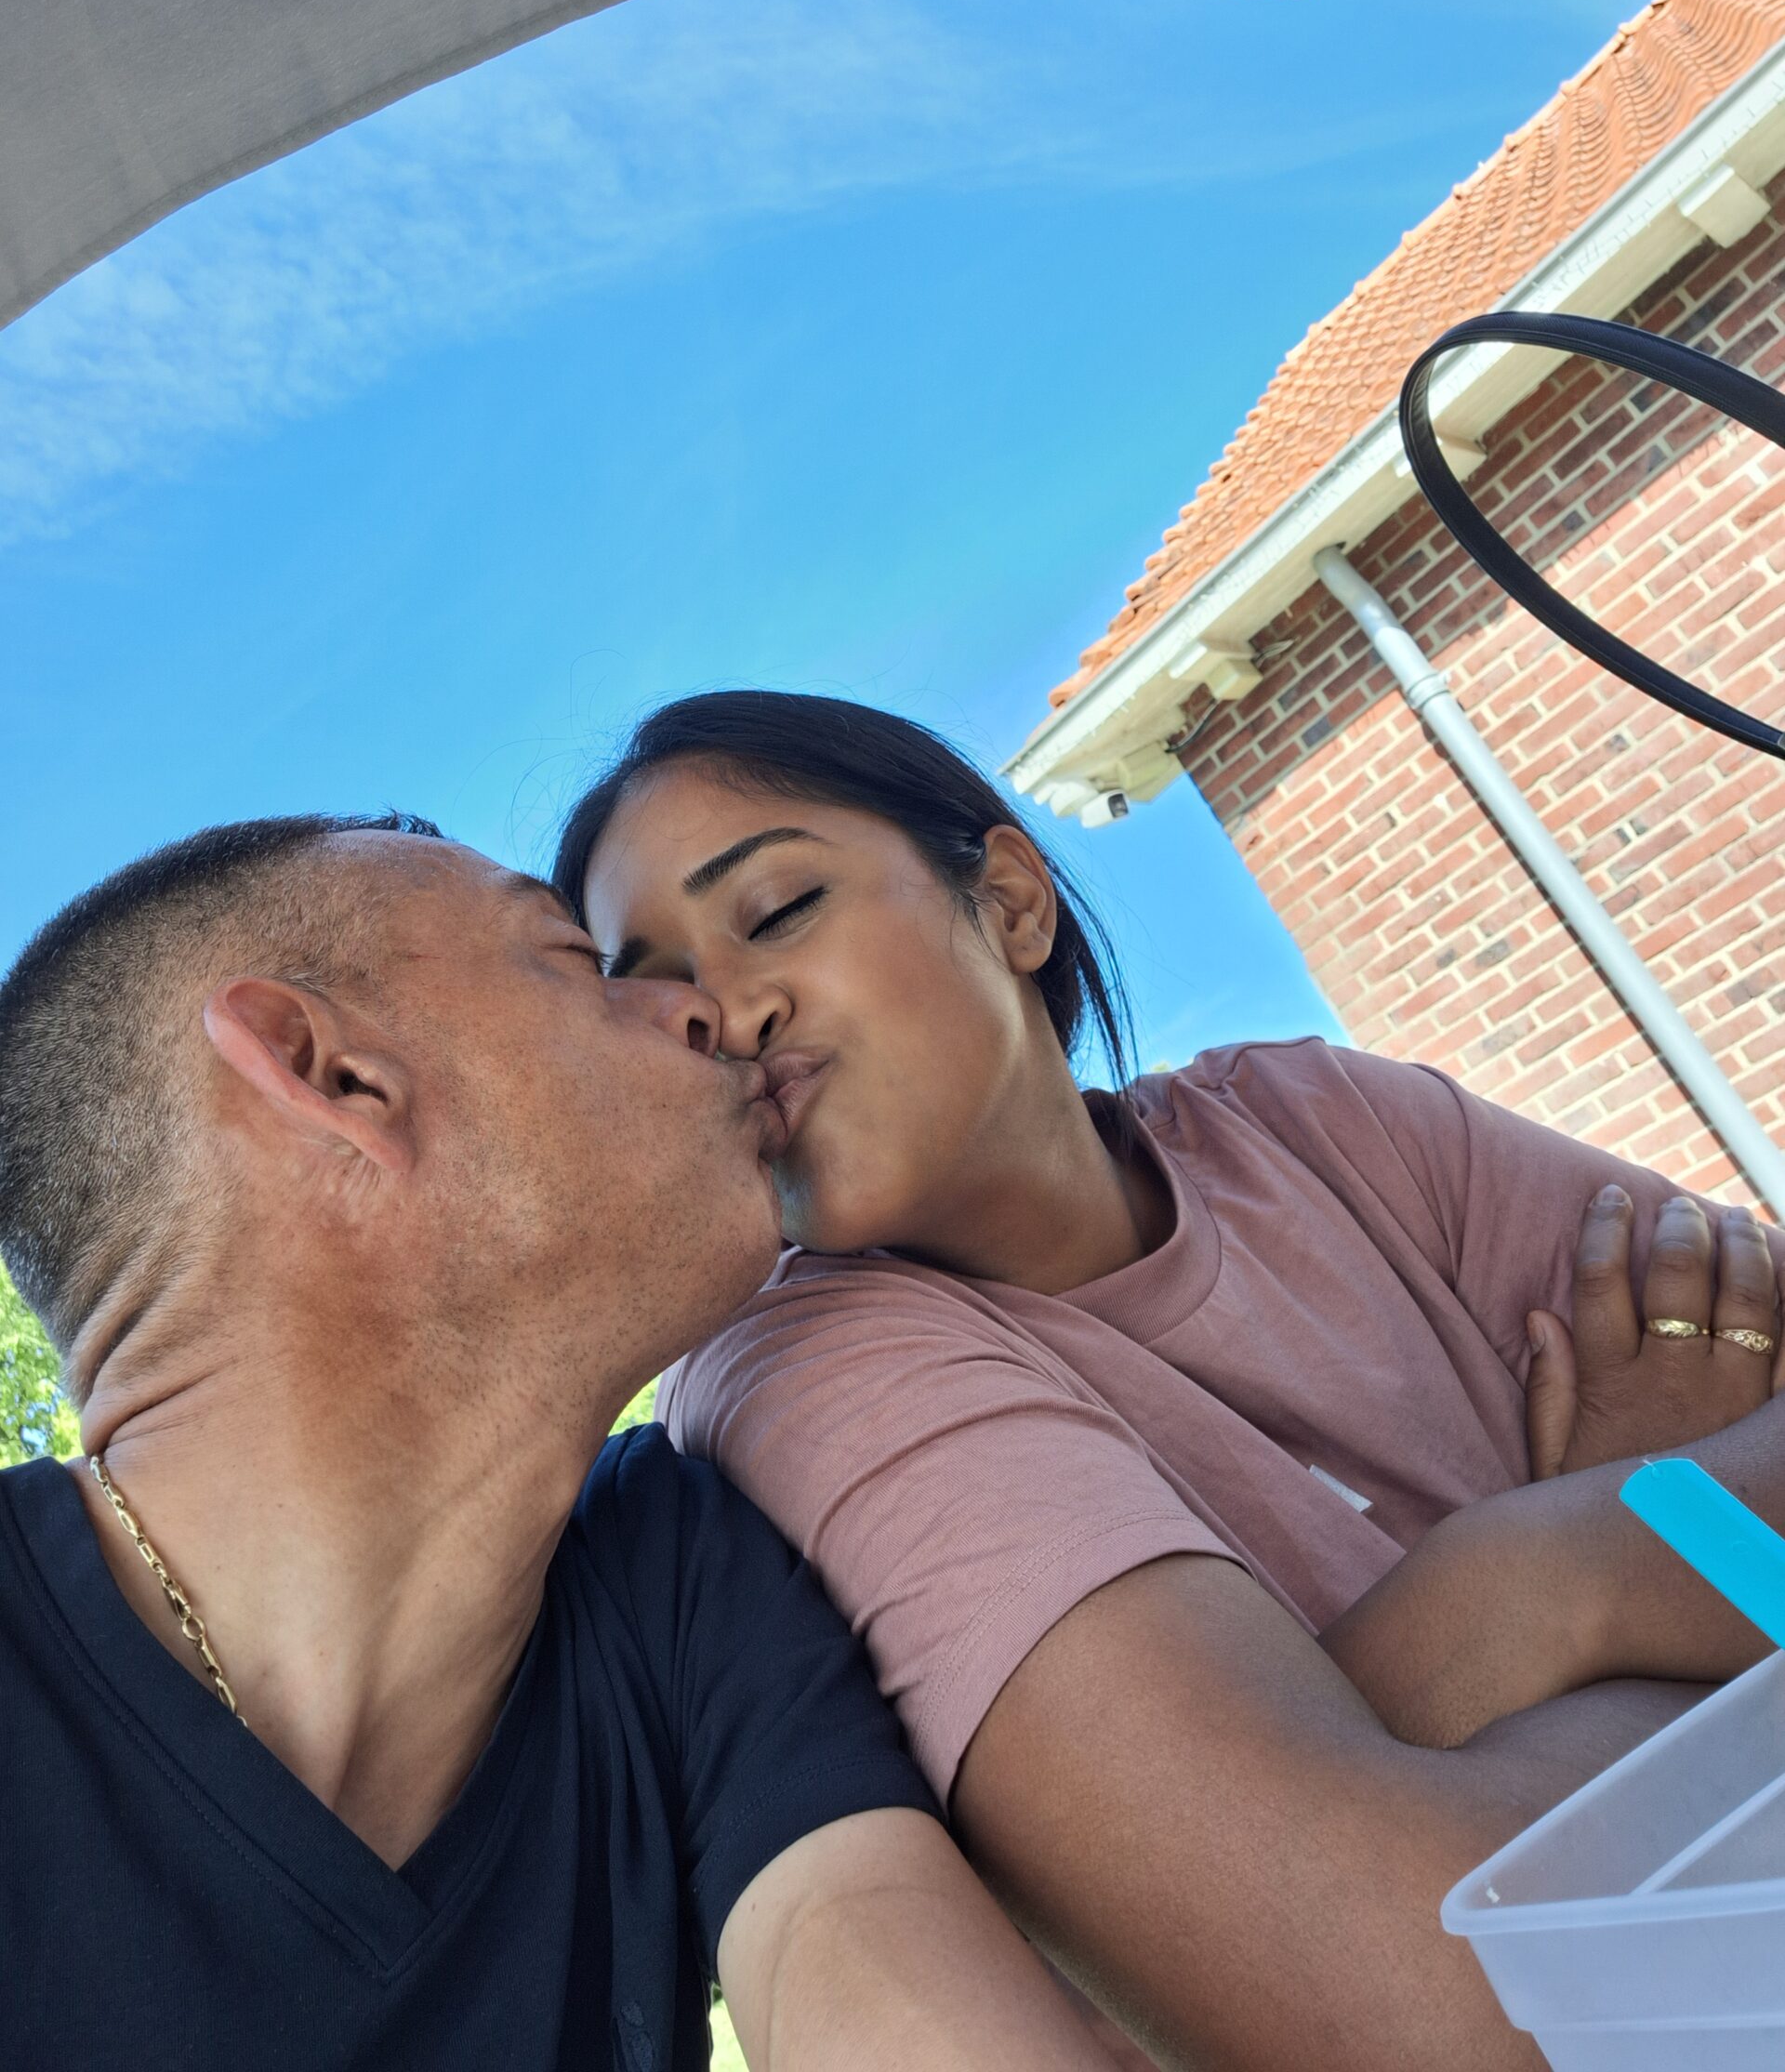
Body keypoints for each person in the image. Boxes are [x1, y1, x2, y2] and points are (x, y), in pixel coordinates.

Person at [561, 689, 1785, 2072]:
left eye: (779, 909)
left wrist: (1539, 1609)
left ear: (1011, 901)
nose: (724, 1015)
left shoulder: (1324, 1122)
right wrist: (1598, 1543)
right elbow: (1387, 1993)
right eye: (658, 1000)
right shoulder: (785, 1367)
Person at [0, 812, 1120, 2072]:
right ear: (335, 1078)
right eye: (577, 963)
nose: (702, 1013)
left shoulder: (671, 1572)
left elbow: (863, 1946)